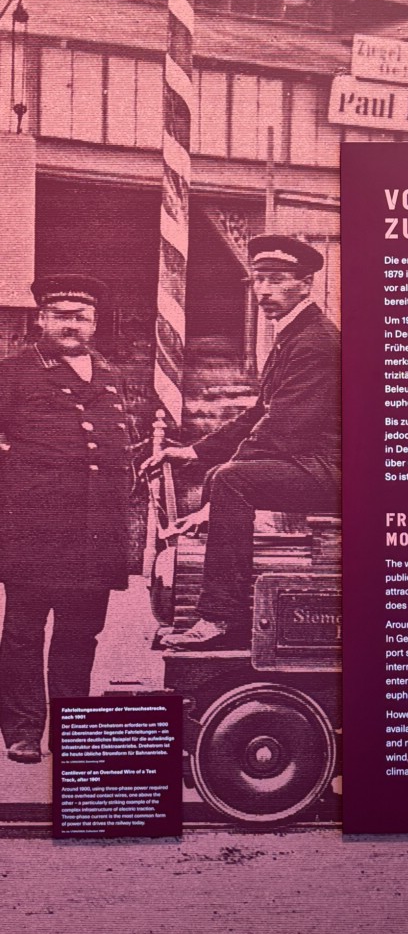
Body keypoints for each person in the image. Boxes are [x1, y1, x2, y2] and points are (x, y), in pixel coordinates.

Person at [145, 235, 340, 649]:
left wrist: (217, 496)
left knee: (232, 480)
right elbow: (258, 413)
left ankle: (220, 618)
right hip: (312, 462)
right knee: (223, 475)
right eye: (259, 279)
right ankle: (209, 605)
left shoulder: (315, 342)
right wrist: (195, 452)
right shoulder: (293, 334)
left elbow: (283, 427)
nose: (264, 291)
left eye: (277, 280)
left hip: (331, 468)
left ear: (305, 283)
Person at [0, 275, 132, 763]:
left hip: (95, 530)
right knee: (23, 633)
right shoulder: (12, 373)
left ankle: (69, 730)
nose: (71, 325)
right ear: (42, 319)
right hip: (34, 526)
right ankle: (23, 731)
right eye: (61, 316)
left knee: (80, 633)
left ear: (94, 323)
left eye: (81, 317)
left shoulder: (110, 375)